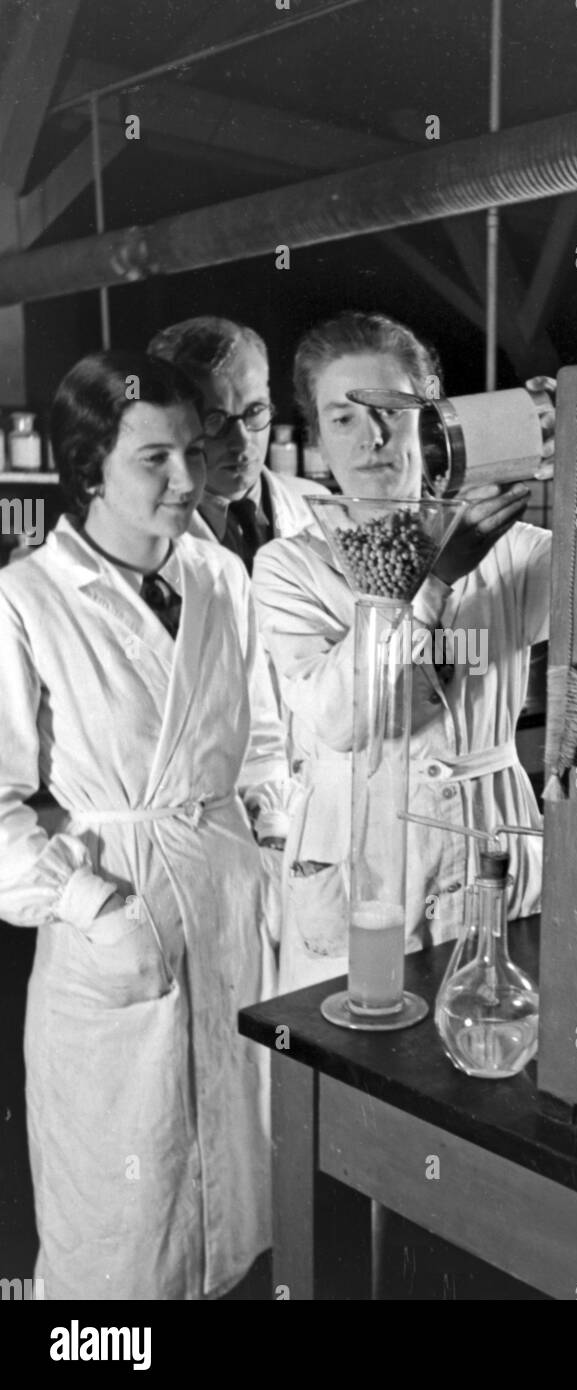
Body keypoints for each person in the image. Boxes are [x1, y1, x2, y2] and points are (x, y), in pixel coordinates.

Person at [0, 351, 292, 1300]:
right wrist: (94, 905)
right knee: (121, 1234)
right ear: (88, 468)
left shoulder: (218, 573)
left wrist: (272, 834)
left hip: (222, 901)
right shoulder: (27, 600)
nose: (187, 481)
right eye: (153, 459)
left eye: (195, 454)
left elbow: (259, 738)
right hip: (113, 922)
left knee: (232, 1212)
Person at [252, 311, 552, 992]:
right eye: (343, 419)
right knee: (362, 1059)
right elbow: (342, 719)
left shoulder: (512, 547)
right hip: (357, 848)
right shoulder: (290, 566)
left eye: (391, 411)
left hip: (489, 836)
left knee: (494, 1039)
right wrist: (436, 578)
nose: (372, 439)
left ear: (434, 419)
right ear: (319, 440)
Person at [148, 316, 329, 573]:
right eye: (215, 420)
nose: (242, 441)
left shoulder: (318, 506)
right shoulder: (147, 535)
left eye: (255, 410)